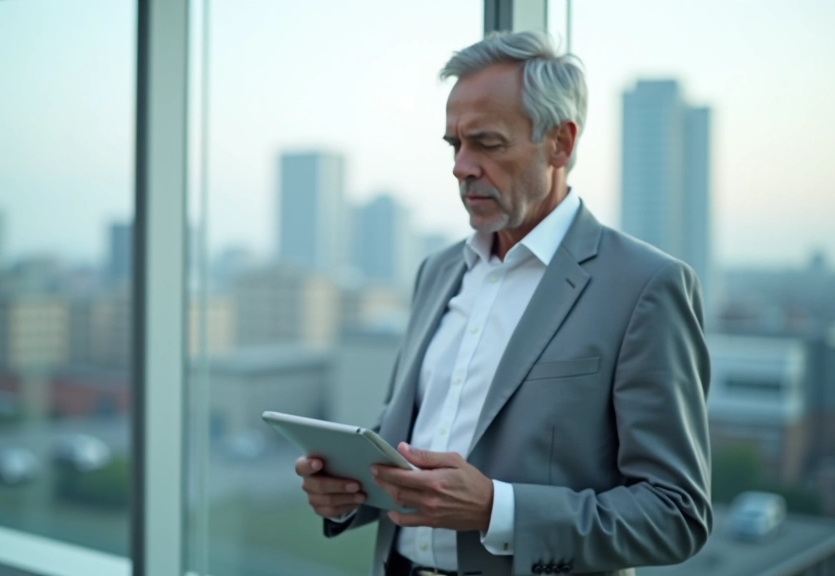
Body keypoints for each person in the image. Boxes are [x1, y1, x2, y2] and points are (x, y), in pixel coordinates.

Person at [294, 30, 712, 576]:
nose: (460, 166)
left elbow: (676, 514)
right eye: (454, 144)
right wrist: (349, 493)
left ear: (560, 143)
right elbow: (411, 439)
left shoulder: (646, 286)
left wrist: (497, 509)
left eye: (486, 144)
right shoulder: (438, 271)